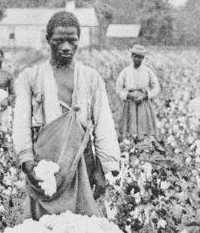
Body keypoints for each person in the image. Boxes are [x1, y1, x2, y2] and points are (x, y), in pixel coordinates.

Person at [12, 11, 121, 220]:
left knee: (81, 221)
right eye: (58, 41)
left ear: (79, 41)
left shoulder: (91, 78)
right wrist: (28, 163)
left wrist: (102, 168)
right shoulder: (31, 77)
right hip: (44, 167)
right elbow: (21, 124)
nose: (65, 47)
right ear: (47, 40)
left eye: (72, 41)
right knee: (44, 224)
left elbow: (104, 125)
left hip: (82, 164)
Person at [115, 45, 160, 143]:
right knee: (130, 130)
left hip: (143, 104)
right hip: (130, 104)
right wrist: (127, 95)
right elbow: (118, 88)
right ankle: (130, 146)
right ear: (131, 56)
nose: (137, 59)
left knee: (143, 130)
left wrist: (146, 96)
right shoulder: (126, 71)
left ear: (143, 58)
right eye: (135, 56)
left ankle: (142, 146)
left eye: (140, 57)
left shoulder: (148, 71)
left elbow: (156, 87)